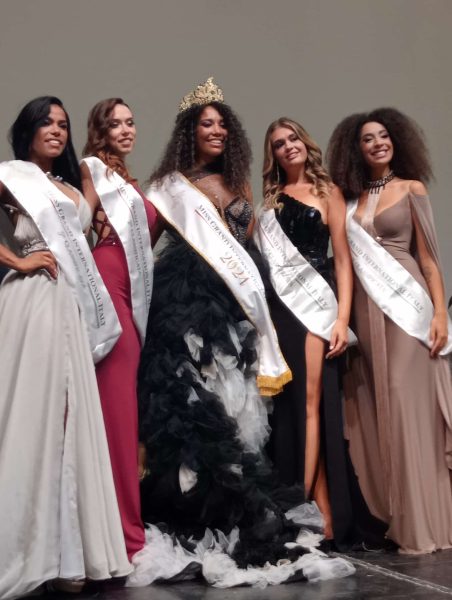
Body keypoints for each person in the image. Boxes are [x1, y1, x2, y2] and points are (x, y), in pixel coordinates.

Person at [129, 78, 354, 588]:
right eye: (206, 124)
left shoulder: (242, 187)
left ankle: (232, 513)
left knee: (236, 413)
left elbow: (248, 250)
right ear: (189, 132)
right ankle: (196, 516)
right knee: (197, 412)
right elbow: (143, 246)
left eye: (222, 124)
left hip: (235, 313)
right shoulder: (170, 186)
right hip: (188, 308)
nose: (217, 131)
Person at [0, 96, 131, 599]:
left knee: (71, 418)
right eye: (46, 123)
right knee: (35, 416)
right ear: (28, 130)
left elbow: (82, 227)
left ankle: (69, 554)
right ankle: (27, 549)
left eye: (63, 124)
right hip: (32, 301)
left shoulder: (72, 187)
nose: (56, 130)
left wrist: (97, 178)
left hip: (71, 307)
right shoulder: (12, 176)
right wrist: (18, 260)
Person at [327, 107, 452, 554]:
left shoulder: (412, 188)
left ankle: (425, 521)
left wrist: (440, 314)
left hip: (407, 307)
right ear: (356, 149)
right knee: (375, 407)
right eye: (368, 138)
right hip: (366, 309)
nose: (378, 143)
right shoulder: (350, 199)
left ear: (396, 140)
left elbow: (429, 258)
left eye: (383, 135)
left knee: (403, 400)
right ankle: (393, 518)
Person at [255, 117, 364, 546]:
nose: (288, 146)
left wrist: (341, 319)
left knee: (312, 404)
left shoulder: (328, 192)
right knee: (292, 408)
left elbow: (343, 261)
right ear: (274, 156)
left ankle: (304, 508)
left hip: (316, 308)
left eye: (293, 138)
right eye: (279, 144)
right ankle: (320, 508)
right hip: (282, 310)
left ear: (305, 142)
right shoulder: (271, 201)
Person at [81, 98, 158, 560]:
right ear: (100, 131)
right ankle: (123, 535)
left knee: (126, 407)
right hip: (108, 284)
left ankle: (123, 526)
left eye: (131, 122)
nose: (127, 130)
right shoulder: (92, 171)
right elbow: (75, 226)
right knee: (117, 408)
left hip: (133, 288)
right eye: (116, 124)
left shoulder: (129, 181)